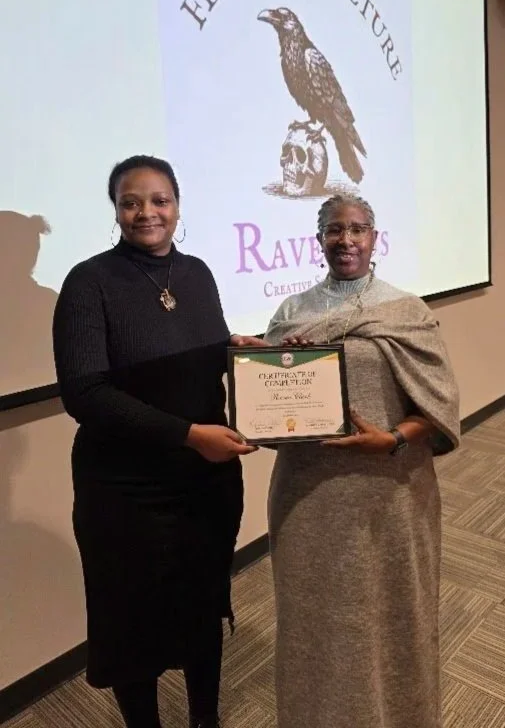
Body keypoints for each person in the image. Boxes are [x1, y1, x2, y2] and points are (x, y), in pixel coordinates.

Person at [52, 155, 264, 728]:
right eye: (131, 201)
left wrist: (240, 350)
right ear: (116, 209)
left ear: (177, 204)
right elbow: (85, 393)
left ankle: (205, 720)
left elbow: (203, 348)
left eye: (159, 200)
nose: (147, 212)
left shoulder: (196, 272)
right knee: (131, 624)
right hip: (125, 490)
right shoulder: (88, 281)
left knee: (201, 607)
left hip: (206, 482)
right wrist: (188, 436)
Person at [264, 191, 460, 728]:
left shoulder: (407, 310)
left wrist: (393, 438)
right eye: (333, 230)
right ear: (319, 238)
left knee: (395, 617)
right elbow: (270, 407)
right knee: (315, 626)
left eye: (357, 229)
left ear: (375, 238)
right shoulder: (290, 313)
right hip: (309, 499)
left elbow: (439, 406)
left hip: (392, 492)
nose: (345, 240)